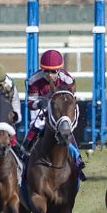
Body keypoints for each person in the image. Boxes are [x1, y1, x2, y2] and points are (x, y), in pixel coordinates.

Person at [23, 49, 85, 178]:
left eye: (53, 71)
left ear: (59, 70)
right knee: (37, 125)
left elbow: (71, 101)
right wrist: (39, 104)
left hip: (60, 108)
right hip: (42, 106)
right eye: (46, 71)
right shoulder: (34, 80)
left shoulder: (67, 79)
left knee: (66, 128)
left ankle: (78, 159)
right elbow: (30, 103)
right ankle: (24, 154)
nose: (50, 75)